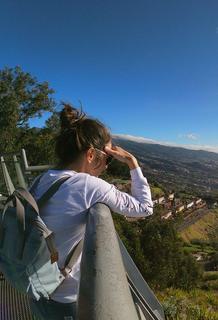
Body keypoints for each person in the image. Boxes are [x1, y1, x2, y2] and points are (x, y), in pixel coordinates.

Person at [28, 102, 153, 320]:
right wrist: (133, 163)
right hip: (62, 299)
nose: (107, 165)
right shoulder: (88, 185)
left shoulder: (41, 179)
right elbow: (145, 207)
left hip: (34, 286)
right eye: (109, 158)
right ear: (90, 155)